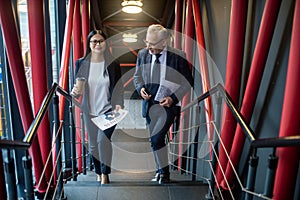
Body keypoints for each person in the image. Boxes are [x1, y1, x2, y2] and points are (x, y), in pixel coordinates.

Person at [133, 24, 193, 184]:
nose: (148, 47)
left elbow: (188, 82)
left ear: (165, 42)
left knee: (156, 138)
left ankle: (163, 172)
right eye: (147, 42)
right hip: (149, 104)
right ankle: (161, 171)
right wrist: (140, 89)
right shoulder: (143, 54)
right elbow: (137, 76)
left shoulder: (178, 56)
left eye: (152, 44)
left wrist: (173, 98)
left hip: (168, 105)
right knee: (155, 140)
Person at [71, 29, 124, 185]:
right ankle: (98, 171)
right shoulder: (81, 63)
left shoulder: (113, 63)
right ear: (89, 44)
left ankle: (105, 173)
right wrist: (74, 92)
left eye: (101, 41)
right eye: (94, 41)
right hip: (90, 111)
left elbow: (118, 87)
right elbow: (77, 86)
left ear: (106, 43)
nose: (97, 44)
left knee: (103, 141)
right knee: (93, 144)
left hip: (108, 110)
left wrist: (119, 104)